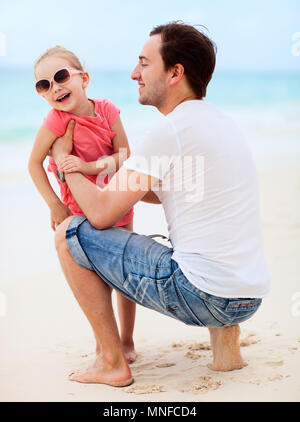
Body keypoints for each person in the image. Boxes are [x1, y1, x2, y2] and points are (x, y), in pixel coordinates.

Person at [52, 22, 270, 387]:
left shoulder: (168, 131)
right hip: (247, 296)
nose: (134, 74)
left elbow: (102, 215)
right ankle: (226, 350)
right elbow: (173, 191)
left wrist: (65, 164)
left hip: (203, 295)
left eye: (144, 64)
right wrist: (107, 170)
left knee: (69, 232)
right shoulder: (219, 123)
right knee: (208, 247)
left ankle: (111, 361)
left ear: (175, 73)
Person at [28, 46, 136, 364]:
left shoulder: (107, 111)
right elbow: (34, 164)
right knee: (95, 277)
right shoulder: (55, 120)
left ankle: (127, 341)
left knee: (124, 274)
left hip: (117, 198)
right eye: (43, 85)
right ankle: (106, 341)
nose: (55, 87)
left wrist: (90, 168)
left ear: (83, 79)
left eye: (61, 77)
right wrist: (54, 205)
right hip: (79, 207)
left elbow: (124, 154)